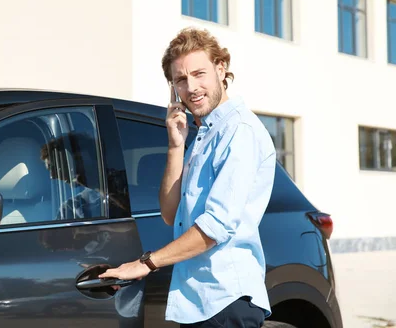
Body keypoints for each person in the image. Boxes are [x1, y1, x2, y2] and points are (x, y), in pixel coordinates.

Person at [99, 27, 276, 327]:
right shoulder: (204, 135)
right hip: (198, 302)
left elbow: (216, 226)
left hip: (225, 301)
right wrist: (176, 144)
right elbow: (171, 214)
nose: (191, 87)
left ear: (221, 69)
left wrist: (145, 264)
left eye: (199, 73)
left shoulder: (239, 131)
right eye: (181, 79)